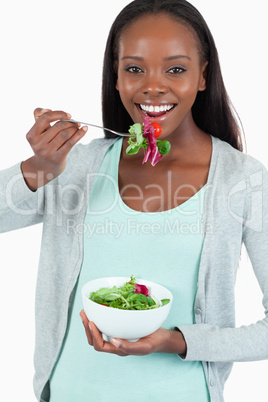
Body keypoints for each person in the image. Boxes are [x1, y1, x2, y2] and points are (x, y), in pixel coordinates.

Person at [1, 0, 267, 401]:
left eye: (175, 69)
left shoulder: (243, 180)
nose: (152, 86)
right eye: (134, 69)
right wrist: (37, 168)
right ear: (116, 76)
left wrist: (176, 341)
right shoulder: (78, 165)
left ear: (202, 76)